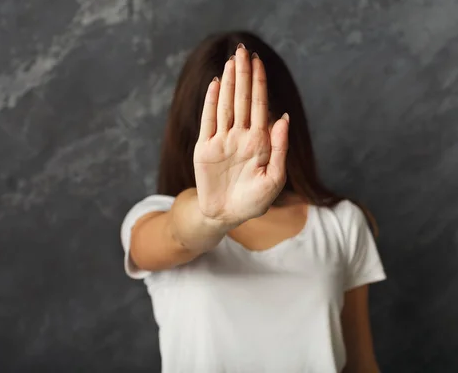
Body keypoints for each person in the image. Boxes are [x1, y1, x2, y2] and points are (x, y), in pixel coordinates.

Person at [120, 31, 386, 373]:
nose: (242, 141)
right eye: (225, 124)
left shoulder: (341, 223)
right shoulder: (152, 216)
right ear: (194, 132)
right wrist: (212, 216)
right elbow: (176, 234)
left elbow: (361, 366)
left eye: (254, 119)